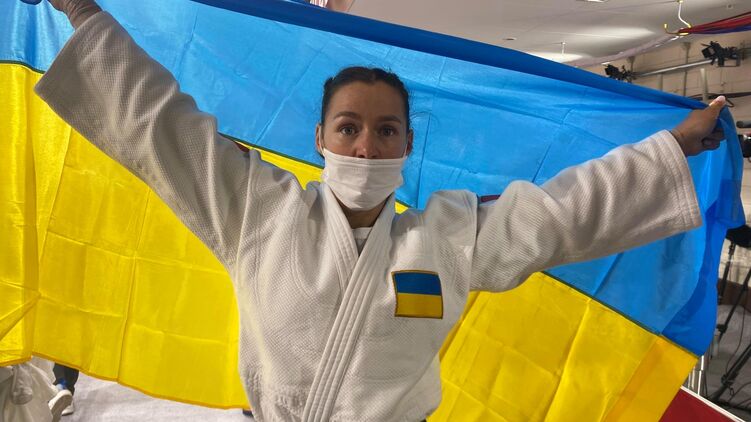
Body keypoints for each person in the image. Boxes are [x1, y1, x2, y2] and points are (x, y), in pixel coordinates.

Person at [34, 0, 727, 421]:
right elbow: (161, 126)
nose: (366, 147)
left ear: (406, 147)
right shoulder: (258, 212)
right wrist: (84, 13)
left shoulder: (447, 240)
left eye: (385, 130)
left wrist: (671, 147)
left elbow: (561, 214)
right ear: (320, 139)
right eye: (348, 128)